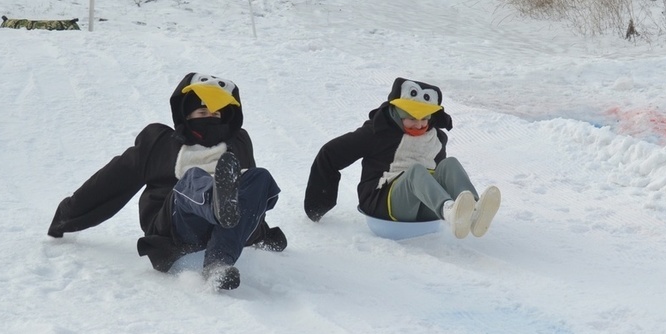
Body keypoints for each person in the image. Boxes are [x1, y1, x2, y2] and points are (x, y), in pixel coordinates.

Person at [47, 72, 287, 290]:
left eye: (215, 114)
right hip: (178, 226)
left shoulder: (238, 143)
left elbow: (248, 197)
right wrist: (65, 216)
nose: (209, 118)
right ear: (186, 114)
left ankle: (218, 266)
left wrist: (262, 233)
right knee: (193, 179)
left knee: (260, 177)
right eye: (202, 113)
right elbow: (111, 181)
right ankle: (214, 202)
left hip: (226, 231)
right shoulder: (160, 144)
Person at [304, 77, 501, 239]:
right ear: (397, 114)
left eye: (425, 119)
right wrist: (318, 205)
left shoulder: (437, 138)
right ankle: (450, 211)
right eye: (412, 118)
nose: (419, 125)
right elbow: (330, 153)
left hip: (424, 209)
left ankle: (474, 212)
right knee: (416, 171)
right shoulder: (377, 133)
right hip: (382, 202)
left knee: (449, 164)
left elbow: (442, 177)